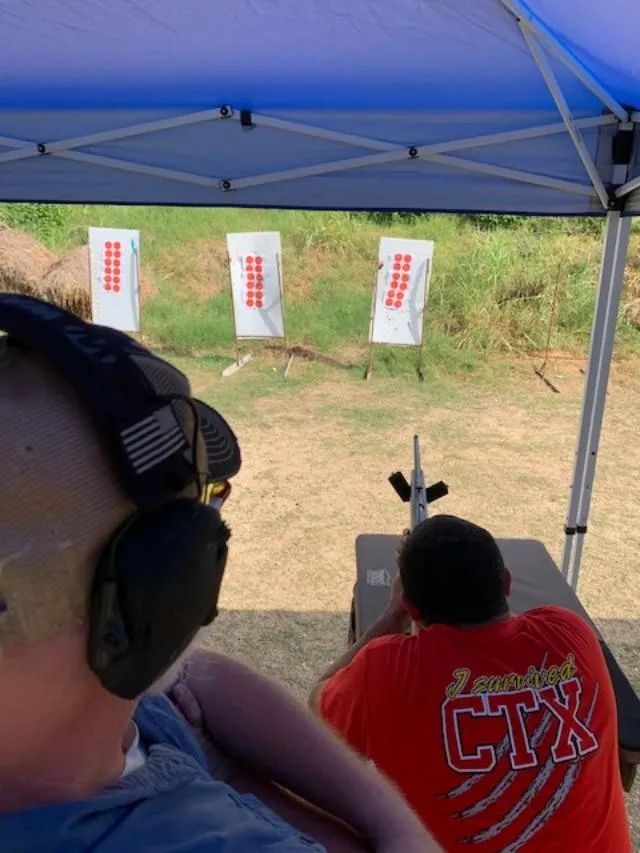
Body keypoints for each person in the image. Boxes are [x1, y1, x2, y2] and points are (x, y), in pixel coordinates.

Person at [0, 293, 439, 853]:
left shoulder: (80, 718)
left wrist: (392, 828)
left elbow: (200, 680)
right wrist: (403, 832)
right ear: (151, 599)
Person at [310, 514, 633, 852]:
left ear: (410, 606)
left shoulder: (381, 671)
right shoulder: (570, 632)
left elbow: (319, 704)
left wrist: (392, 615)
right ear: (506, 582)